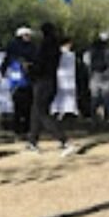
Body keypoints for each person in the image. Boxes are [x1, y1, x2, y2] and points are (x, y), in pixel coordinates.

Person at [26, 23, 77, 155]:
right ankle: (32, 141)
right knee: (36, 111)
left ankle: (64, 141)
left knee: (42, 113)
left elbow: (40, 66)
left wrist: (29, 68)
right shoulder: (55, 47)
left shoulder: (45, 47)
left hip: (42, 82)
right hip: (51, 82)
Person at [0, 27, 35, 135]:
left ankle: (24, 128)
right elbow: (6, 60)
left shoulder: (29, 47)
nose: (28, 38)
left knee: (24, 106)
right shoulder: (17, 47)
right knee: (20, 106)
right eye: (27, 35)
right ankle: (21, 128)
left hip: (24, 80)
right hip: (19, 80)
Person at [85, 32, 109, 129]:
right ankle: (105, 121)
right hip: (107, 76)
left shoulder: (91, 50)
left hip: (95, 76)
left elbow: (87, 63)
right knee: (106, 99)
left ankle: (94, 122)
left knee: (94, 99)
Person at [51, 36, 78, 119]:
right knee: (62, 93)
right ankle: (61, 110)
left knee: (64, 93)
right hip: (63, 76)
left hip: (66, 76)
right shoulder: (63, 53)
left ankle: (65, 110)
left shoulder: (70, 54)